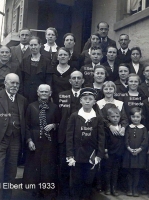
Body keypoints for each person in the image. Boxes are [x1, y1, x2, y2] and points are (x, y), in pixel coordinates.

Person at [0, 73, 28, 200]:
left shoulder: (22, 100)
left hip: (15, 141)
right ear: (5, 83)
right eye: (12, 83)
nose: (14, 85)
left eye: (17, 83)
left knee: (10, 173)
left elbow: (24, 121)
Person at [66, 87, 105, 200]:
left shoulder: (98, 118)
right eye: (85, 98)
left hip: (91, 155)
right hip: (76, 155)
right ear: (80, 101)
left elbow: (101, 138)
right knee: (76, 181)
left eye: (90, 99)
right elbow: (69, 137)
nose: (87, 101)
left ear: (94, 102)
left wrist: (99, 155)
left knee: (88, 181)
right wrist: (70, 155)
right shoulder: (74, 116)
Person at [23, 84, 60, 199]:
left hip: (49, 142)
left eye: (46, 92)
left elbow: (60, 123)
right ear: (38, 93)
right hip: (34, 140)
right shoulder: (31, 106)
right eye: (42, 92)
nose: (44, 94)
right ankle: (34, 192)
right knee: (34, 165)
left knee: (47, 166)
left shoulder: (54, 107)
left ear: (50, 93)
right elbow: (26, 125)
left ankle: (47, 192)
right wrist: (29, 140)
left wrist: (53, 125)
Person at [58, 71, 84, 199]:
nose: (76, 80)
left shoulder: (86, 96)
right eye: (74, 78)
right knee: (64, 167)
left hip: (82, 137)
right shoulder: (62, 95)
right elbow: (58, 115)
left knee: (79, 168)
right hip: (65, 136)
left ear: (83, 81)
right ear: (70, 81)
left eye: (79, 78)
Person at [122, 107, 148, 197]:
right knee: (129, 172)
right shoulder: (128, 128)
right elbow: (126, 140)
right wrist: (129, 148)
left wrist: (139, 149)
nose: (135, 119)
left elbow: (145, 141)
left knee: (137, 172)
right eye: (133, 117)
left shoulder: (144, 128)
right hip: (129, 153)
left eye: (138, 117)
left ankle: (135, 189)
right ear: (130, 117)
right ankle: (129, 189)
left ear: (141, 117)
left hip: (139, 154)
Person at [21, 36, 53, 103]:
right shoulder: (24, 61)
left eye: (35, 45)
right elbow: (21, 78)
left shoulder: (46, 61)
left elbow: (49, 79)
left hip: (41, 95)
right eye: (31, 45)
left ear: (40, 45)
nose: (33, 47)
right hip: (26, 94)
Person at [101, 107, 125, 196]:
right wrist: (105, 151)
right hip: (109, 153)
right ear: (108, 118)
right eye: (113, 116)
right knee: (108, 170)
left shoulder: (122, 128)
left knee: (116, 170)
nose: (115, 118)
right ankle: (107, 187)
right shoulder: (107, 129)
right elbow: (105, 140)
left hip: (118, 153)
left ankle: (114, 188)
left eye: (117, 116)